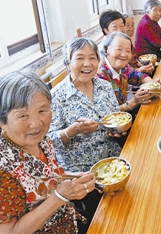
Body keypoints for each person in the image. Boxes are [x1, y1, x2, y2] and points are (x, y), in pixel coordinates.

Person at [0, 71, 96, 233]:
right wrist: (60, 197)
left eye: (42, 111)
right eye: (22, 115)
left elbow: (47, 176)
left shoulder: (39, 138)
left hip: (68, 219)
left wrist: (73, 177)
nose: (36, 124)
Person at [48, 37, 124, 224]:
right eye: (80, 58)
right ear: (67, 63)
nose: (87, 64)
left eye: (92, 58)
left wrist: (117, 130)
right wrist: (72, 131)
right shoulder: (56, 97)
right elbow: (47, 142)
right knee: (108, 221)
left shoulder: (105, 87)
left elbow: (115, 117)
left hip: (115, 162)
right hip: (83, 175)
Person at [96, 31, 156, 112]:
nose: (124, 54)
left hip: (125, 114)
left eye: (128, 51)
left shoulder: (123, 66)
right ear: (107, 49)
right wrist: (133, 102)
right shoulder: (98, 74)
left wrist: (153, 85)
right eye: (119, 49)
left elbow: (138, 75)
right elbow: (106, 112)